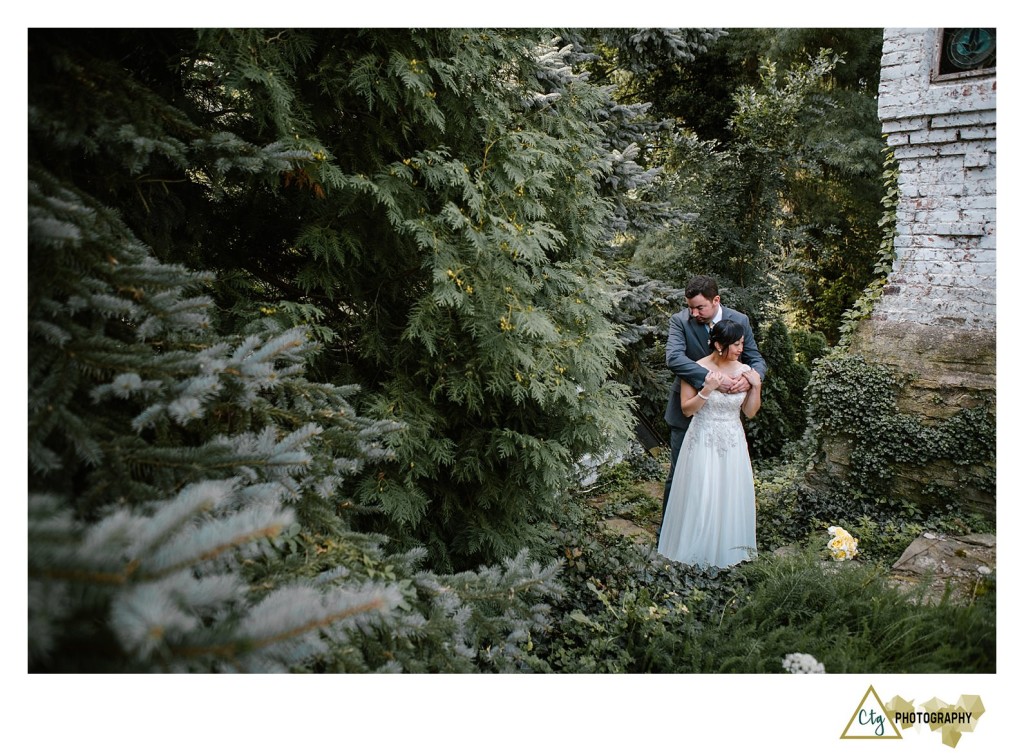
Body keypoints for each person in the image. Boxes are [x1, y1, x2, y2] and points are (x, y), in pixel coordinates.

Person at [660, 275, 766, 536]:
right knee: (681, 477)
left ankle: (717, 535)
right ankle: (670, 535)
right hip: (689, 409)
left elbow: (755, 358)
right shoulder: (679, 321)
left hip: (724, 416)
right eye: (690, 307)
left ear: (716, 300)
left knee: (721, 481)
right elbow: (674, 359)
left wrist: (750, 380)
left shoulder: (739, 320)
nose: (693, 313)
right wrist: (710, 380)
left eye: (700, 307)